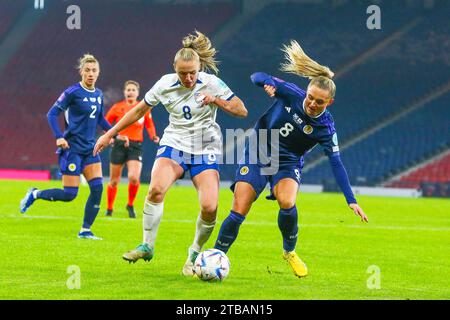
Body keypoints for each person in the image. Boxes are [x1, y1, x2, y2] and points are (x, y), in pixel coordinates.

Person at [93, 31, 247, 274]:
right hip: (174, 143)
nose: (188, 78)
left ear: (199, 67)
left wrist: (216, 100)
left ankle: (194, 254)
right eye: (182, 73)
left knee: (210, 207)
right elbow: (137, 111)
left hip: (205, 147)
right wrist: (109, 133)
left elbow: (241, 110)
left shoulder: (212, 83)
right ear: (175, 69)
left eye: (192, 73)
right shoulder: (165, 84)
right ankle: (147, 245)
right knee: (155, 189)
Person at [213, 40, 368, 278]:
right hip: (259, 151)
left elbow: (336, 162)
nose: (313, 104)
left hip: (287, 162)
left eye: (320, 102)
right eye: (311, 98)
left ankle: (289, 252)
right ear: (306, 92)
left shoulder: (326, 128)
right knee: (240, 207)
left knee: (287, 202)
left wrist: (351, 199)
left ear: (329, 103)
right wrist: (267, 84)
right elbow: (256, 75)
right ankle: (216, 256)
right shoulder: (292, 94)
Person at [19, 54, 128, 240]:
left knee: (97, 189)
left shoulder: (99, 94)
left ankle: (85, 230)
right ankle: (35, 194)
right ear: (81, 72)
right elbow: (52, 114)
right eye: (87, 70)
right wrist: (59, 137)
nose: (91, 74)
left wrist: (115, 134)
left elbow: (100, 119)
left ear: (98, 72)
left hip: (90, 149)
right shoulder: (72, 92)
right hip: (72, 150)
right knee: (70, 194)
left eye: (94, 70)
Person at [105, 80, 160, 218]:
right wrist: (111, 135)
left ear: (138, 93)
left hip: (135, 146)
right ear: (124, 92)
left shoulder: (143, 108)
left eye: (133, 90)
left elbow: (149, 124)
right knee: (114, 180)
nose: (130, 92)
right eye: (128, 90)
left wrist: (153, 136)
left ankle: (130, 205)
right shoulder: (117, 107)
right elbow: (106, 122)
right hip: (119, 145)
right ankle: (109, 208)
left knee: (134, 177)